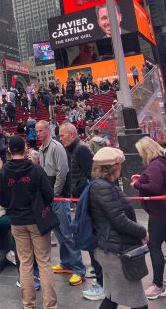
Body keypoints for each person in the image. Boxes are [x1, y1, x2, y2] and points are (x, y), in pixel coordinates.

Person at [0, 136, 57, 309]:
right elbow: (49, 195)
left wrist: (13, 206)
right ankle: (50, 305)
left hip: (17, 221)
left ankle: (28, 305)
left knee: (25, 263)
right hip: (37, 220)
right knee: (44, 262)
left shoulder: (4, 171)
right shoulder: (36, 169)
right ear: (24, 149)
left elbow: (1, 199)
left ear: (9, 150)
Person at [89, 147, 148, 309]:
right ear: (115, 167)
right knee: (139, 303)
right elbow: (119, 220)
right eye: (120, 164)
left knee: (112, 298)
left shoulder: (102, 185)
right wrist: (142, 231)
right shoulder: (104, 188)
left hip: (109, 247)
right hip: (116, 251)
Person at [36, 121, 86, 287]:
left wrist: (54, 194)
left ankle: (79, 269)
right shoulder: (41, 149)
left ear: (48, 131)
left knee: (66, 233)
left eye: (40, 130)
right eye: (36, 131)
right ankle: (66, 263)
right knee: (58, 232)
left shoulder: (56, 147)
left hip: (59, 197)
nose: (37, 133)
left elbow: (62, 172)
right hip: (50, 197)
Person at [59, 123, 104, 301]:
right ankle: (99, 275)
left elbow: (92, 176)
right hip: (82, 201)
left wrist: (82, 192)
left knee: (92, 240)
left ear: (71, 135)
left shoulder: (81, 150)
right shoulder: (73, 149)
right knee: (90, 241)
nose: (60, 138)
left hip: (88, 203)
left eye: (62, 135)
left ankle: (101, 283)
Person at [132, 137, 166, 299]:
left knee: (154, 247)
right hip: (162, 212)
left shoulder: (155, 165)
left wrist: (137, 184)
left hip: (159, 214)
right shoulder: (161, 162)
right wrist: (143, 178)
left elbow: (154, 187)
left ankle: (158, 285)